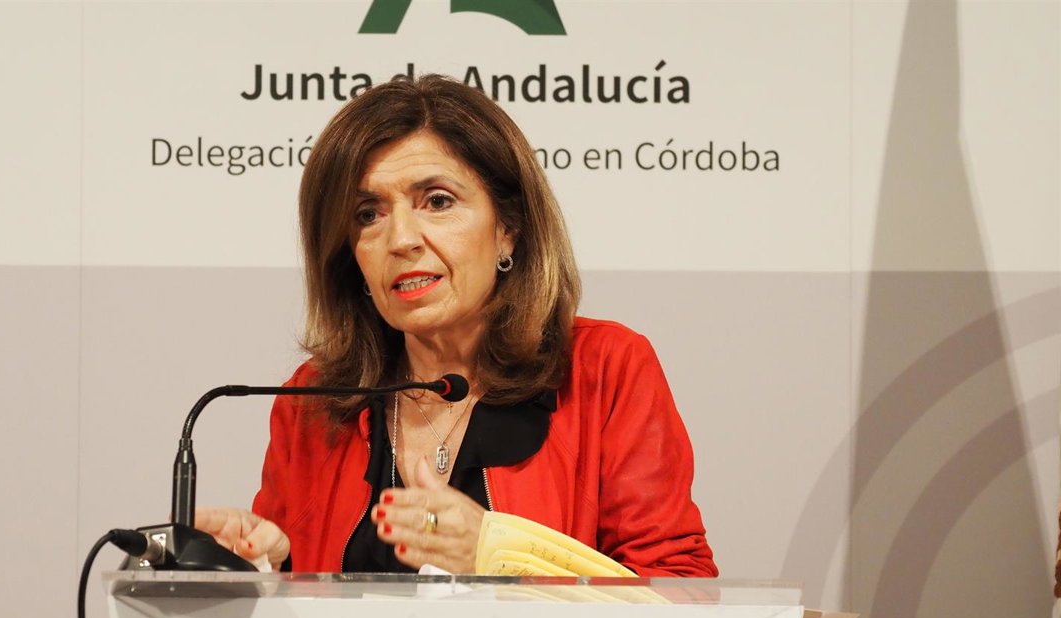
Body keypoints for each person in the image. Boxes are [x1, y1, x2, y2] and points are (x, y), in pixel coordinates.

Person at [195, 74, 717, 577]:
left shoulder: (604, 370)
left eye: (437, 202)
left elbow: (675, 586)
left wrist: (501, 556)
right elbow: (297, 595)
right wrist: (264, 569)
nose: (401, 239)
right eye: (368, 214)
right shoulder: (314, 399)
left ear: (508, 228)